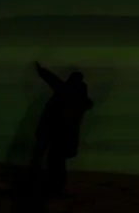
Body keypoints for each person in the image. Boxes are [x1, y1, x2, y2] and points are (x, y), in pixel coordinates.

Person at [28, 63, 93, 196]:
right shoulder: (80, 100)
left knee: (50, 159)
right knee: (55, 160)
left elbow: (53, 80)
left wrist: (41, 70)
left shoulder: (66, 91)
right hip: (63, 135)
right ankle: (53, 185)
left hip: (54, 132)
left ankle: (48, 185)